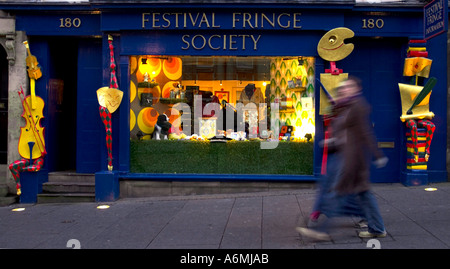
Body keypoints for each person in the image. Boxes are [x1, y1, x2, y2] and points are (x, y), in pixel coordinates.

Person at [297, 76, 388, 240]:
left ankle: (322, 231)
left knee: (337, 194)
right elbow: (345, 133)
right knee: (364, 195)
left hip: (352, 161)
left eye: (349, 87)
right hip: (346, 157)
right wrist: (332, 141)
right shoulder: (345, 107)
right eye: (344, 87)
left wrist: (378, 155)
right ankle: (377, 228)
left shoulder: (358, 106)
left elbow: (366, 133)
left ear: (357, 89)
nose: (345, 89)